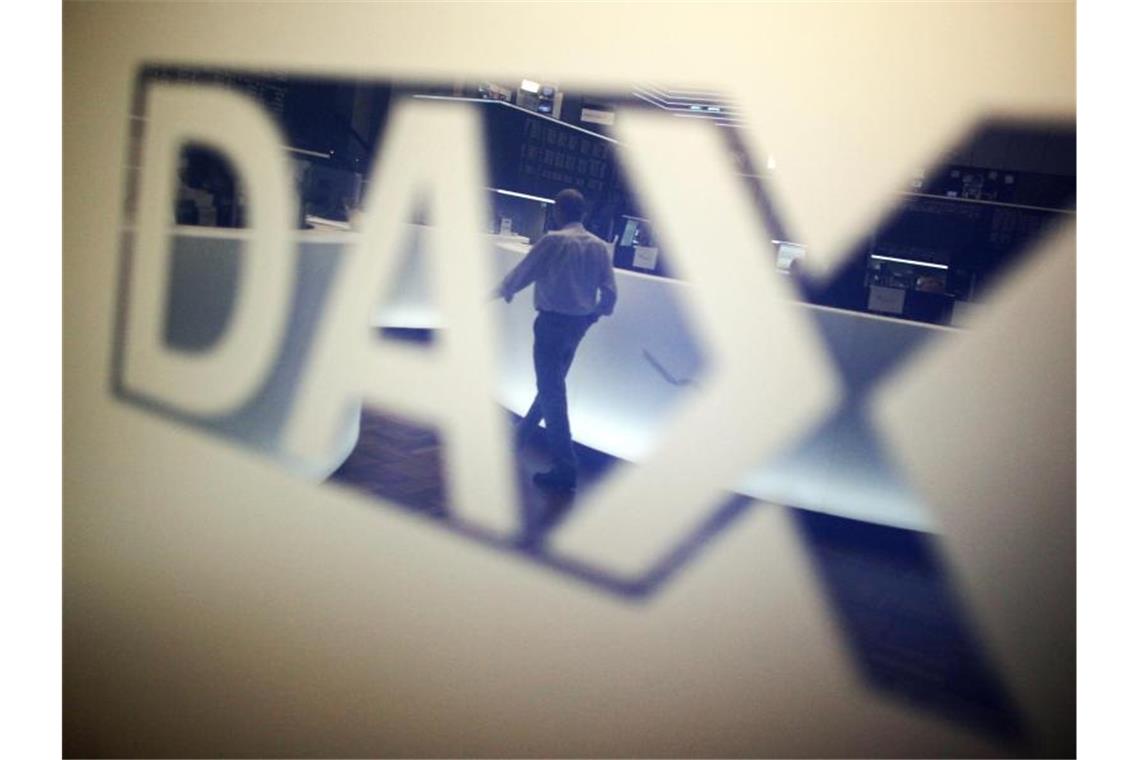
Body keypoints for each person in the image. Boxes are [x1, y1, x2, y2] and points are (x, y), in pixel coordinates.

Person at [494, 188, 618, 491]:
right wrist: (592, 317)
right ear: (582, 213)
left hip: (550, 325)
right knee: (551, 388)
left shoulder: (552, 241)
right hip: (577, 327)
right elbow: (610, 294)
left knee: (552, 394)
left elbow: (521, 274)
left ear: (558, 212)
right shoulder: (599, 247)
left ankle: (566, 467)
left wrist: (498, 293)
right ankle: (519, 438)